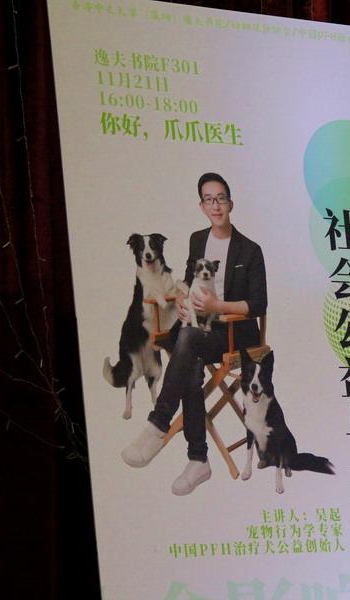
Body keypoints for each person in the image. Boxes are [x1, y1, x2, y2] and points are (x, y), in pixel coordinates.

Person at [122, 172, 267, 495]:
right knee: (190, 356)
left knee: (187, 343)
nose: (216, 205)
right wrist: (183, 301)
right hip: (198, 330)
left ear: (231, 203)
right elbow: (188, 282)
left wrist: (218, 305)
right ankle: (198, 460)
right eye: (209, 200)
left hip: (235, 334)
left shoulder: (250, 250)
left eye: (221, 198)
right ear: (202, 206)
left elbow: (259, 304)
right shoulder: (197, 239)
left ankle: (158, 425)